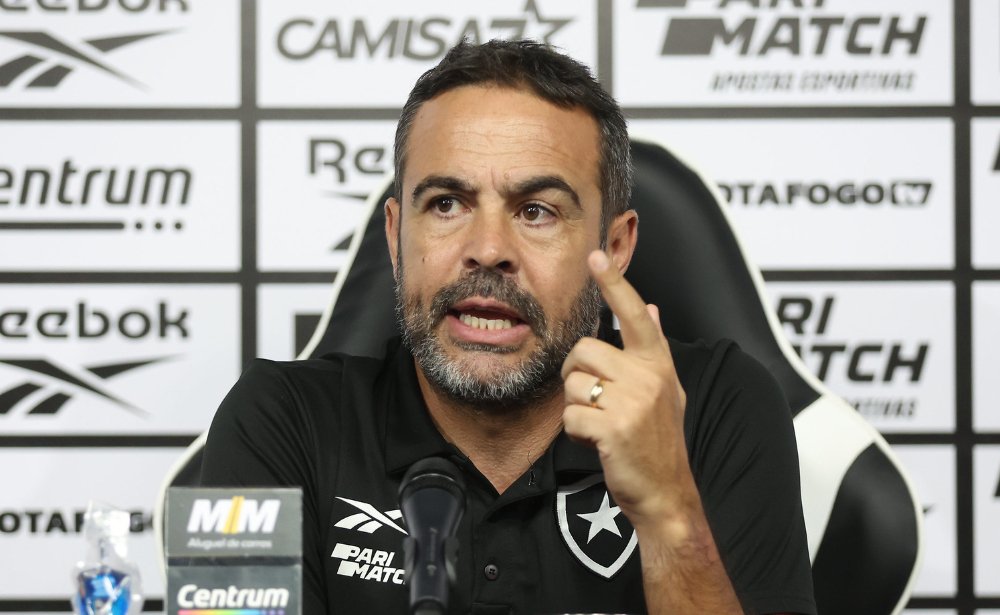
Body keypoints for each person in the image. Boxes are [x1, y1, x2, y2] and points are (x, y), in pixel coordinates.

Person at [201, 39, 816, 615]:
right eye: (446, 204)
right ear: (395, 235)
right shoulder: (276, 421)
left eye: (536, 211)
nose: (488, 248)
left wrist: (668, 512)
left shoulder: (714, 406)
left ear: (617, 244)